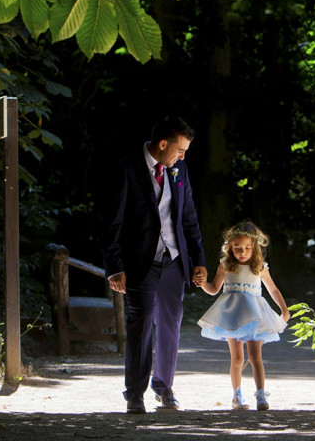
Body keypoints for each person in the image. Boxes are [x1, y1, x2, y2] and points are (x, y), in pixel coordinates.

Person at [102, 116, 208, 414]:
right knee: (142, 321)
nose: (182, 156)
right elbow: (112, 222)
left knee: (171, 323)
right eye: (180, 149)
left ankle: (164, 386)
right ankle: (135, 393)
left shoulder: (180, 169)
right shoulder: (126, 167)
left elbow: (189, 217)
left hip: (174, 259)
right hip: (139, 261)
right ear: (163, 144)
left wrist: (198, 260)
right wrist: (114, 266)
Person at [197, 221, 289, 411]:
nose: (242, 252)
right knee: (237, 358)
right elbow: (214, 289)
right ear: (229, 247)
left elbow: (273, 290)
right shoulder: (225, 265)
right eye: (237, 247)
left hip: (254, 315)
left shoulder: (260, 267)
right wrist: (203, 283)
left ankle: (261, 394)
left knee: (256, 357)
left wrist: (284, 310)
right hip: (233, 316)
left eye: (247, 248)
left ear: (254, 247)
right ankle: (237, 395)